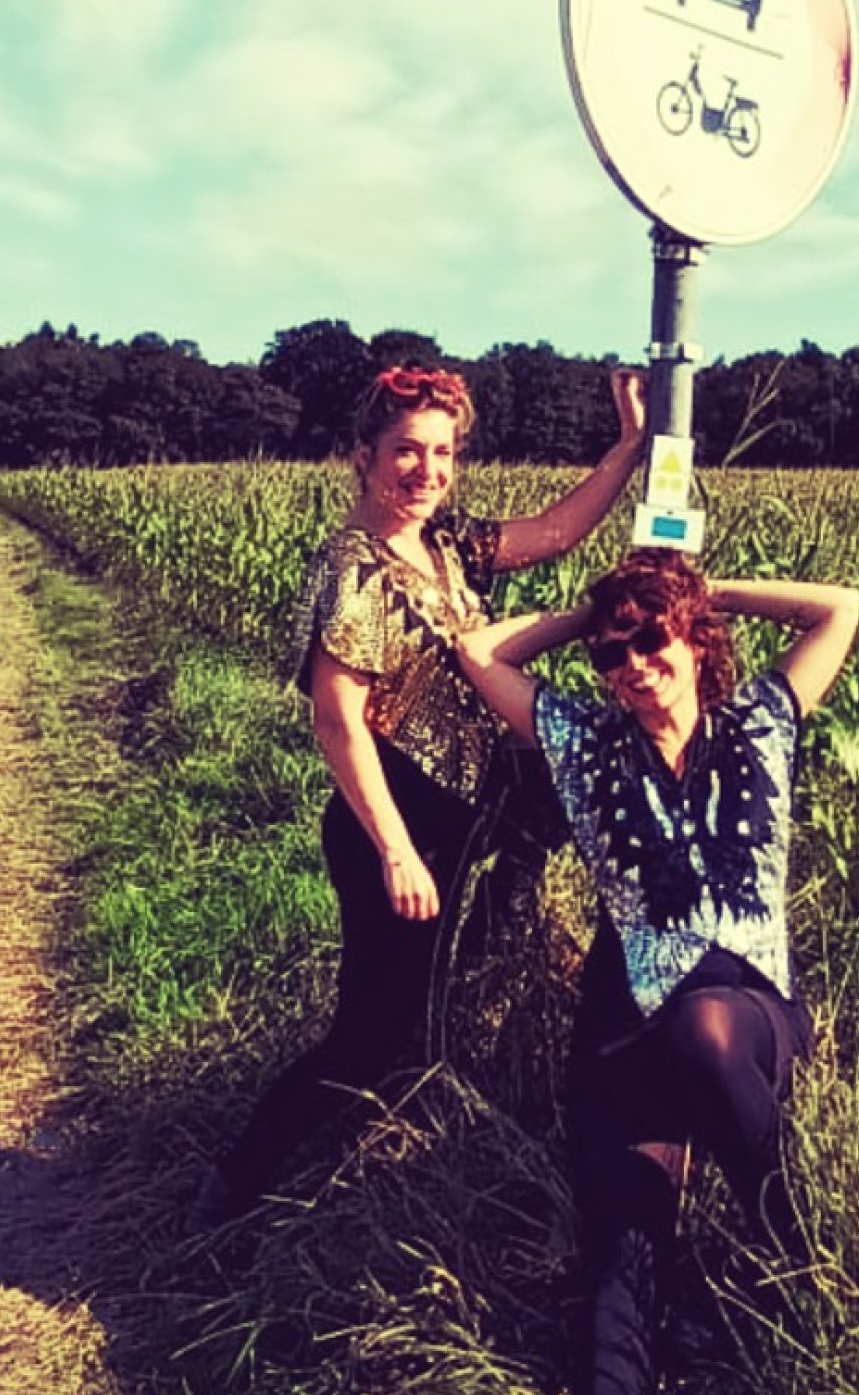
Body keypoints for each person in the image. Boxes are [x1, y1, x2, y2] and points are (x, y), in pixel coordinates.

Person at [453, 548, 859, 1395]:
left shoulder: (760, 722)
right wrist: (590, 611)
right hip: (627, 1020)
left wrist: (705, 589)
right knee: (619, 1242)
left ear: (694, 638)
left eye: (650, 640)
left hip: (742, 1015)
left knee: (703, 1033)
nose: (632, 666)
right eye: (612, 654)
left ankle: (796, 1265)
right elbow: (477, 650)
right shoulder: (583, 741)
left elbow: (839, 607)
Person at [197, 362, 646, 1221]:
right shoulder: (354, 572)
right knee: (368, 1037)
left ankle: (386, 1128)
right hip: (393, 822)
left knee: (429, 993)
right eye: (407, 451)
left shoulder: (442, 546)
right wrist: (396, 850)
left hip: (461, 810)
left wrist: (628, 447)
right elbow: (339, 722)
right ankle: (234, 1190)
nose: (427, 471)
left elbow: (553, 534)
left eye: (442, 453)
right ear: (363, 457)